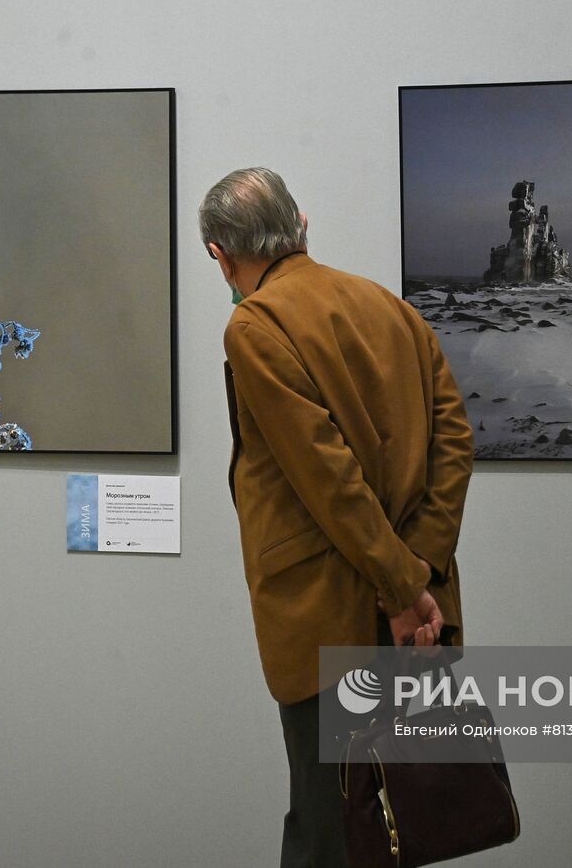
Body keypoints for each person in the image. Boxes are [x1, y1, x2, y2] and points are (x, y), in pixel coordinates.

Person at [200, 168, 474, 867]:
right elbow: (455, 444)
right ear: (301, 224)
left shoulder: (254, 325)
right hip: (422, 611)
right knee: (402, 824)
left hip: (331, 620)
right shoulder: (392, 308)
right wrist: (423, 571)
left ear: (218, 253)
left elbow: (329, 480)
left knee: (329, 829)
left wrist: (397, 589)